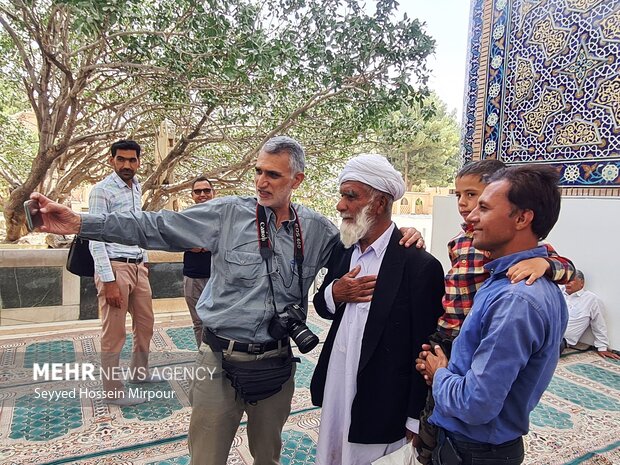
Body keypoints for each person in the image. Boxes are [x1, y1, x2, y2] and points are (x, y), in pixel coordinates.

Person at [30, 136, 421, 465]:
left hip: (276, 367)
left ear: (296, 179)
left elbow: (364, 245)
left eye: (273, 174)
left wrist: (406, 238)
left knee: (267, 457)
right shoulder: (227, 214)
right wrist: (81, 223)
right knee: (207, 457)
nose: (262, 182)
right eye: (258, 171)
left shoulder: (316, 230)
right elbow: (155, 226)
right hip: (219, 363)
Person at [416, 159, 575, 464]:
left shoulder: (518, 299)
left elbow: (475, 404)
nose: (470, 215)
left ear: (522, 218)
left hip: (473, 450)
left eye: (484, 207)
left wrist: (439, 374)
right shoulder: (503, 279)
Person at [310, 154, 445, 465]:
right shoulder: (344, 248)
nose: (341, 205)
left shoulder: (418, 265)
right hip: (337, 388)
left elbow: (423, 346)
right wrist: (336, 292)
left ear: (380, 202)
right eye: (341, 195)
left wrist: (414, 418)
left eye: (351, 196)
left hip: (382, 399)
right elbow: (322, 305)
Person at [89, 139, 157, 406]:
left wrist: (145, 259)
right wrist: (108, 281)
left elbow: (138, 226)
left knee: (146, 324)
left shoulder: (136, 187)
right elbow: (94, 238)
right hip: (114, 268)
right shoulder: (101, 191)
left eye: (132, 160)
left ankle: (139, 373)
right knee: (114, 333)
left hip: (137, 266)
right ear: (112, 160)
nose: (127, 165)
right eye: (121, 159)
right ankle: (113, 391)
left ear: (139, 162)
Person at [183, 176, 215, 347]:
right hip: (193, 277)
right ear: (192, 195)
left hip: (217, 277)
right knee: (199, 323)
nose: (202, 194)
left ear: (213, 193)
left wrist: (202, 244)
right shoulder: (186, 217)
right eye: (198, 191)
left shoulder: (221, 215)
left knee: (219, 322)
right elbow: (178, 240)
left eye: (206, 190)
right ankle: (205, 358)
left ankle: (221, 361)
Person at [562, 270, 620, 360]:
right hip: (544, 332)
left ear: (582, 283)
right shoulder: (559, 294)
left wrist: (602, 347)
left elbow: (599, 324)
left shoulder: (591, 300)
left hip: (561, 339)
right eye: (566, 280)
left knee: (542, 352)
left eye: (571, 281)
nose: (567, 284)